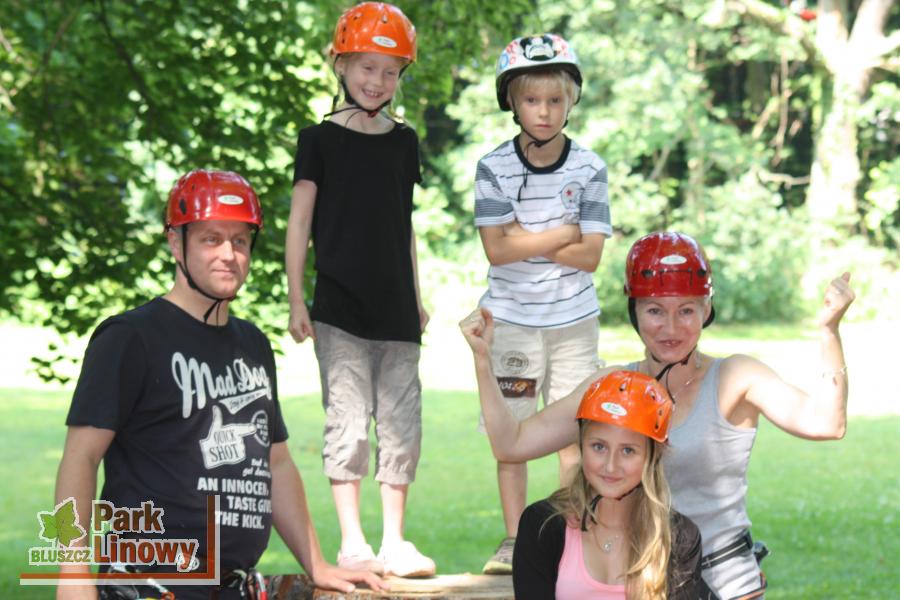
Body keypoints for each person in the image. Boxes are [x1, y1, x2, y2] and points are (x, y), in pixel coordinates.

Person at [461, 231, 854, 599]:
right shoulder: (612, 390)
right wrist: (482, 360)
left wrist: (828, 331)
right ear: (634, 311)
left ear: (706, 309)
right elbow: (512, 444)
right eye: (654, 310)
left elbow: (827, 422)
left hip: (723, 583)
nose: (671, 327)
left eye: (686, 310)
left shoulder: (735, 378)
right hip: (641, 581)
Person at [54, 170, 385, 600]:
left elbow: (276, 464)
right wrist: (73, 572)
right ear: (177, 243)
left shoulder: (253, 345)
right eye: (211, 239)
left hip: (232, 587)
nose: (229, 254)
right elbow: (80, 458)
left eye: (240, 241)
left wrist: (316, 562)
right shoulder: (130, 338)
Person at [285, 2, 434, 578]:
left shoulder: (404, 142)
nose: (378, 80)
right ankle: (352, 542)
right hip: (339, 309)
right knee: (347, 423)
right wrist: (296, 298)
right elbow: (300, 222)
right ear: (341, 64)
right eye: (367, 67)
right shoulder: (318, 140)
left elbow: (404, 225)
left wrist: (416, 298)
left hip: (396, 311)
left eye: (390, 71)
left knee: (401, 425)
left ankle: (394, 541)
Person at [473, 33, 612, 574]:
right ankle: (514, 540)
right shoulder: (493, 167)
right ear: (511, 101)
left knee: (575, 436)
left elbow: (591, 256)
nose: (544, 111)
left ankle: (570, 538)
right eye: (531, 100)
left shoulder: (590, 168)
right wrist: (563, 231)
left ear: (571, 100)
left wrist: (523, 238)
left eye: (555, 99)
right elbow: (496, 251)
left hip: (574, 322)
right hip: (511, 321)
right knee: (511, 438)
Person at [514, 370, 703, 599]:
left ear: (653, 456)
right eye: (599, 447)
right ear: (581, 444)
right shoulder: (543, 524)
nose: (611, 466)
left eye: (628, 450)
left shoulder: (678, 538)